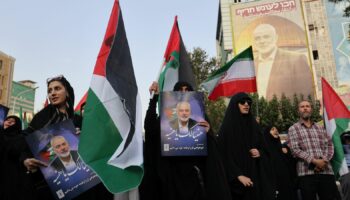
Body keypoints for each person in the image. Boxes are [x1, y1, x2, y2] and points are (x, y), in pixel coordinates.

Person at [21, 75, 112, 200]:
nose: (52, 93)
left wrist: (83, 138)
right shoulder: (41, 119)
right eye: (50, 90)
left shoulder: (79, 120)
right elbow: (25, 142)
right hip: (51, 187)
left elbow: (96, 148)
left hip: (83, 185)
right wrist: (25, 160)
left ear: (67, 93)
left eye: (57, 88)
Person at [139, 81, 231, 200]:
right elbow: (151, 131)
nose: (184, 93)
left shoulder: (200, 120)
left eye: (187, 90)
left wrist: (208, 134)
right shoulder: (167, 121)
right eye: (180, 90)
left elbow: (212, 152)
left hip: (194, 178)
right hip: (171, 178)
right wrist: (154, 99)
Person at [218, 92, 275, 200]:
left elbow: (266, 150)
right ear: (235, 104)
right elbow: (223, 155)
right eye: (242, 102)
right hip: (236, 184)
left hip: (256, 179)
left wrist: (260, 152)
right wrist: (238, 175)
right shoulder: (227, 129)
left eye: (249, 102)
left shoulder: (254, 126)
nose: (246, 104)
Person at [287, 100, 340, 200]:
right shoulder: (293, 129)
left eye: (308, 106)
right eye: (302, 107)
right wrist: (315, 161)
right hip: (306, 173)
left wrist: (323, 161)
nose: (305, 108)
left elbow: (329, 146)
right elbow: (294, 149)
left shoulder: (321, 128)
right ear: (298, 110)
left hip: (326, 171)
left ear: (311, 109)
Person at [252, 23, 314, 100]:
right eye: (257, 38)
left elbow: (306, 94)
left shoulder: (296, 59)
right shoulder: (250, 65)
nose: (262, 41)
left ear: (276, 38)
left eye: (266, 37)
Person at [0, 115, 37, 200]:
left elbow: (21, 152)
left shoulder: (21, 138)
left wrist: (25, 160)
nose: (9, 122)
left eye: (12, 121)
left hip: (12, 178)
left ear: (17, 125)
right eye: (7, 120)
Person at [263, 126, 298, 200]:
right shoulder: (265, 151)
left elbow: (292, 165)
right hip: (274, 184)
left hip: (287, 183)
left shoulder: (283, 148)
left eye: (276, 129)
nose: (276, 131)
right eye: (272, 129)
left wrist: (287, 154)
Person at [340, 131, 350, 200]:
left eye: (349, 138)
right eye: (346, 138)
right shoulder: (340, 147)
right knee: (347, 185)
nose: (347, 139)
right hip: (346, 168)